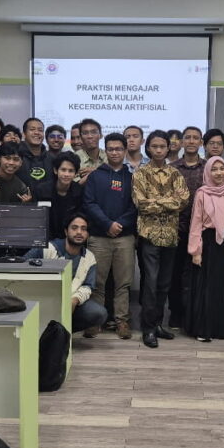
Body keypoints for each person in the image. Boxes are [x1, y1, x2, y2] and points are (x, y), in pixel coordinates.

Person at [132, 130, 190, 348]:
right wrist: (168, 202)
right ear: (148, 148)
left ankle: (157, 324)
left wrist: (156, 201)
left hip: (171, 235)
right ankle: (147, 328)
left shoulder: (175, 173)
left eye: (162, 146)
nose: (158, 150)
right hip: (149, 235)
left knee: (164, 284)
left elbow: (183, 200)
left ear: (168, 148)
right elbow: (141, 204)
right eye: (154, 146)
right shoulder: (140, 173)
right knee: (151, 283)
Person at [82, 133, 137, 339]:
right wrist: (107, 224)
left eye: (119, 149)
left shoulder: (132, 178)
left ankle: (122, 321)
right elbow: (89, 204)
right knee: (97, 282)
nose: (115, 152)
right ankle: (95, 321)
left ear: (125, 151)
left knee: (123, 283)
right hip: (99, 237)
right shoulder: (96, 176)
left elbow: (135, 206)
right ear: (106, 151)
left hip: (124, 237)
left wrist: (119, 224)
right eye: (111, 149)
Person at [188, 156, 224, 342]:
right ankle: (204, 329)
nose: (219, 173)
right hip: (208, 243)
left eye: (222, 169)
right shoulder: (202, 194)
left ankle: (222, 329)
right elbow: (196, 223)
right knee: (206, 287)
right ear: (208, 172)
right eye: (214, 169)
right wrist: (196, 251)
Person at [30, 215, 107, 335]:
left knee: (99, 313)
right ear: (66, 231)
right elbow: (24, 262)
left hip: (70, 302)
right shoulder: (48, 248)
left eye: (83, 229)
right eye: (74, 228)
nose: (79, 232)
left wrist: (75, 300)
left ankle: (59, 334)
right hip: (43, 299)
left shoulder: (89, 257)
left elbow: (88, 286)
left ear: (87, 234)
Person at [167, 126, 206, 328]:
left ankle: (195, 314)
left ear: (201, 142)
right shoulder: (172, 168)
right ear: (182, 142)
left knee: (198, 275)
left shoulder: (208, 168)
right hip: (177, 229)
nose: (191, 141)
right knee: (175, 274)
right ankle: (176, 313)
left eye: (195, 138)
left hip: (202, 232)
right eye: (187, 138)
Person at [32, 151, 84, 240]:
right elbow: (37, 219)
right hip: (45, 238)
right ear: (56, 170)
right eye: (63, 170)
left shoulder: (79, 192)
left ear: (76, 173)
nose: (66, 174)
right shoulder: (41, 190)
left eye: (71, 171)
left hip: (69, 239)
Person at [18, 117, 53, 192]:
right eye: (32, 129)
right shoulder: (16, 157)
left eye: (40, 130)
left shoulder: (51, 159)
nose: (37, 132)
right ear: (24, 134)